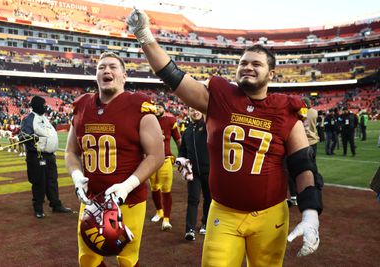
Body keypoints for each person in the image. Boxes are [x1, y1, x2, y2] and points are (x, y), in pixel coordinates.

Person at [127, 9, 323, 266]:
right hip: (224, 212)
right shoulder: (219, 97)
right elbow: (173, 75)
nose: (248, 67)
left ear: (271, 74)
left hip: (270, 215)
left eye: (256, 64)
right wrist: (144, 36)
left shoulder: (286, 108)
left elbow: (303, 165)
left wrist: (310, 214)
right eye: (243, 62)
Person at [65, 51, 164, 267]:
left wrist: (128, 186)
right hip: (92, 200)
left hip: (128, 201)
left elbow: (157, 154)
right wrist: (76, 175)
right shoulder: (82, 106)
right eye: (101, 67)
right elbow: (71, 151)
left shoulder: (138, 104)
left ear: (124, 76)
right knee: (88, 259)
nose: (107, 70)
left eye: (113, 67)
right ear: (96, 75)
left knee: (127, 260)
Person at [20, 96, 72, 219]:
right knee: (39, 182)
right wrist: (31, 138)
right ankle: (38, 208)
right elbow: (23, 135)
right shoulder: (29, 119)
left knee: (52, 181)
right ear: (37, 105)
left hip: (50, 156)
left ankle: (55, 205)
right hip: (37, 156)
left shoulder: (44, 118)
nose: (45, 107)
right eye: (43, 105)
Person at [177, 107, 211, 241]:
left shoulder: (209, 127)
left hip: (209, 171)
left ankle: (205, 223)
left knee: (209, 199)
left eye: (197, 109)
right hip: (193, 173)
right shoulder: (186, 132)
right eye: (192, 110)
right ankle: (189, 229)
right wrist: (181, 161)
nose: (195, 112)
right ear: (188, 112)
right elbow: (182, 152)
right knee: (193, 200)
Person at [149, 101, 181, 231]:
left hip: (165, 158)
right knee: (154, 187)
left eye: (159, 106)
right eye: (155, 106)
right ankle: (159, 212)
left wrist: (183, 154)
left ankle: (166, 219)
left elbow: (178, 139)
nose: (157, 109)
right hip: (150, 160)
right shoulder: (147, 121)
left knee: (166, 189)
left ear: (164, 108)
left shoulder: (169, 121)